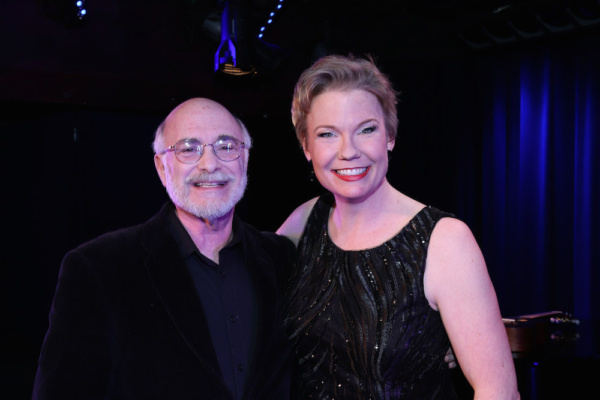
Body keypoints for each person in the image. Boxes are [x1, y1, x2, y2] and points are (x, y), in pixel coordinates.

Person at [277, 55, 519, 399]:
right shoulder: (303, 224)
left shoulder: (444, 241)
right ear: (306, 147)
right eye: (328, 134)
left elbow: (499, 391)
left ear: (390, 135)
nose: (349, 151)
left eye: (366, 129)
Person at [32, 98, 295, 400]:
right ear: (161, 166)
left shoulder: (282, 259)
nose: (209, 164)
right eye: (188, 149)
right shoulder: (99, 268)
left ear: (245, 159)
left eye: (226, 146)